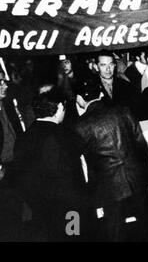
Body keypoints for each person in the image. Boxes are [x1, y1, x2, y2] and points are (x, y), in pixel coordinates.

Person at [73, 78, 148, 241]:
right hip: (138, 181)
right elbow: (141, 145)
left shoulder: (80, 126)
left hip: (109, 189)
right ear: (101, 93)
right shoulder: (124, 111)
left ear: (80, 99)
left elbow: (79, 163)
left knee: (116, 233)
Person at [5, 87, 88, 241]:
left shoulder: (23, 139)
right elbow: (72, 177)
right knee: (74, 238)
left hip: (39, 211)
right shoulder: (62, 135)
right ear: (60, 107)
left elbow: (18, 178)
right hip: (69, 211)